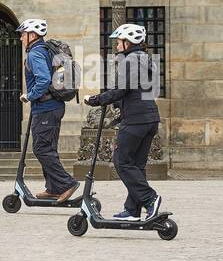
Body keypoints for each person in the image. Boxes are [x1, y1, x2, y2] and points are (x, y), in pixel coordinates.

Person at [85, 23, 162, 221]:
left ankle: (150, 198)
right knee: (137, 165)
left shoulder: (130, 60)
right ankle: (132, 210)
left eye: (119, 41)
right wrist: (120, 106)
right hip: (150, 117)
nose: (117, 45)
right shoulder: (146, 59)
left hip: (136, 121)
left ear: (129, 42)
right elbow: (140, 90)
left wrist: (96, 99)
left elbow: (121, 90)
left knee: (121, 162)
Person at [17, 17, 78, 201]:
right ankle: (53, 188)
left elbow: (43, 80)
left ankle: (67, 183)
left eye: (23, 34)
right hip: (53, 107)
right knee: (48, 148)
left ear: (32, 35)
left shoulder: (35, 53)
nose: (21, 38)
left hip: (46, 107)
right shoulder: (45, 50)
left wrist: (29, 95)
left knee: (41, 148)